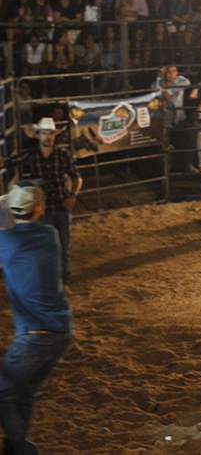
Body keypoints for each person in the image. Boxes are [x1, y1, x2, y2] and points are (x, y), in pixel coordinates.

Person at [0, 181, 73, 455]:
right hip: (60, 333)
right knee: (23, 390)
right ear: (39, 209)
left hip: (33, 338)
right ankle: (16, 446)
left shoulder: (6, 241)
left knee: (3, 392)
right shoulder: (49, 235)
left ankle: (21, 447)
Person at [1, 117, 81, 282]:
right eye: (44, 133)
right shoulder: (31, 155)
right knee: (52, 246)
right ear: (37, 135)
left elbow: (76, 177)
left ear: (54, 135)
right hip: (42, 210)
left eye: (50, 133)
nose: (48, 137)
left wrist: (73, 195)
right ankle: (56, 279)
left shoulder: (62, 154)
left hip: (58, 206)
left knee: (63, 246)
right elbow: (7, 162)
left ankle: (63, 279)